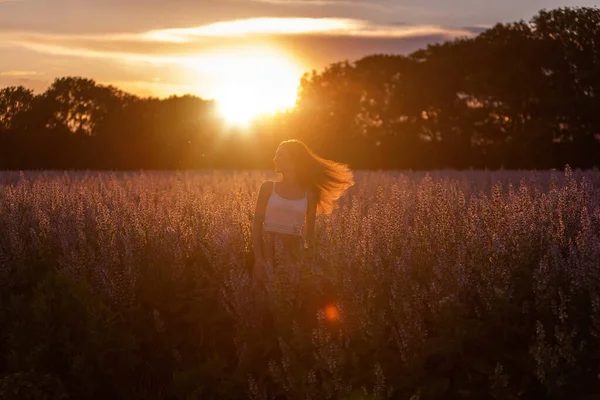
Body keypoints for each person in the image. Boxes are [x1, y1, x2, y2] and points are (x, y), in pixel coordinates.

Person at [251, 140, 354, 291]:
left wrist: (305, 265)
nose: (274, 159)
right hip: (267, 256)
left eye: (280, 155)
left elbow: (309, 237)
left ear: (293, 160)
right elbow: (256, 225)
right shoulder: (267, 188)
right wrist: (259, 260)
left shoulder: (309, 195)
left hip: (292, 258)